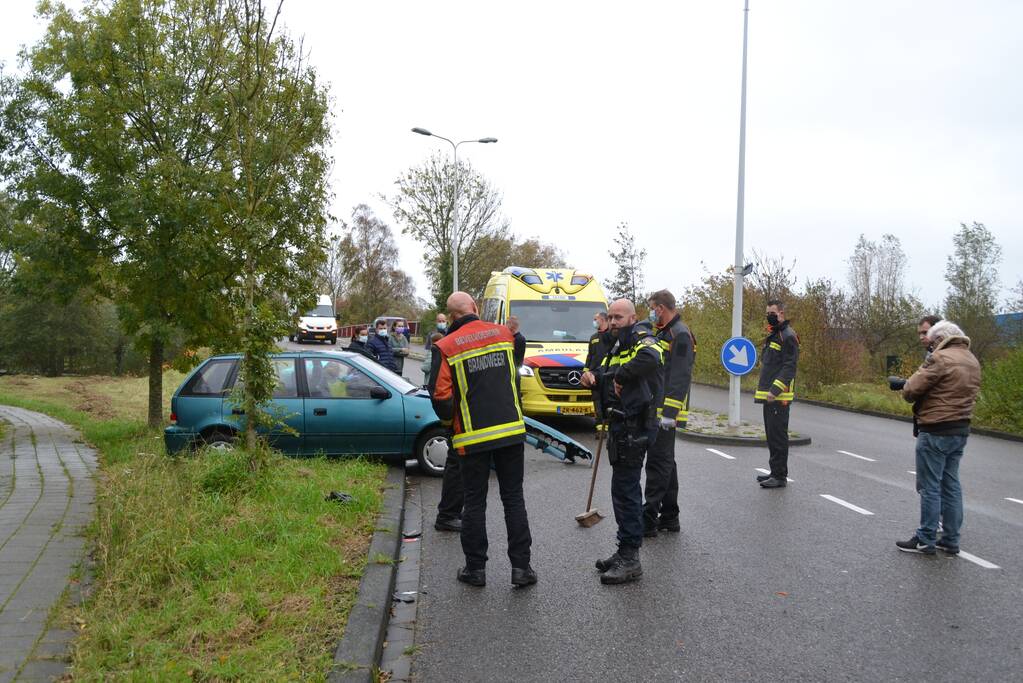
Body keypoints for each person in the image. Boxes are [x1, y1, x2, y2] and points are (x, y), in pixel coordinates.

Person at [430, 291, 536, 588]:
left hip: (472, 437)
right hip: (511, 431)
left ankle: (475, 570)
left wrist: (450, 425)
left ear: (451, 316)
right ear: (475, 307)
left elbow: (440, 396)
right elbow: (516, 366)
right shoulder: (504, 335)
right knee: (513, 499)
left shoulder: (445, 346)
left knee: (474, 502)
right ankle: (521, 569)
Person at [581, 299, 663, 585]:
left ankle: (631, 558)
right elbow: (609, 373)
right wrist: (594, 377)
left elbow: (652, 358)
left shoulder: (642, 336)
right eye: (611, 317)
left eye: (619, 317)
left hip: (635, 426)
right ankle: (624, 550)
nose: (613, 322)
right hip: (619, 425)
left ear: (633, 318)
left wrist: (622, 375)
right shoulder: (617, 345)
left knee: (626, 491)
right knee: (622, 489)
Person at [889, 321, 981, 555]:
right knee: (951, 485)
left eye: (931, 342)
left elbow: (911, 391)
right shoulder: (971, 359)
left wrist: (904, 383)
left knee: (930, 486)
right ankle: (951, 539)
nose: (930, 347)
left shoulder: (939, 359)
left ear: (940, 339)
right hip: (960, 428)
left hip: (936, 428)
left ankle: (925, 538)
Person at [642, 289, 695, 537]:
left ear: (661, 308)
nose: (652, 313)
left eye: (653, 308)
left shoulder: (680, 335)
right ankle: (670, 516)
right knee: (666, 464)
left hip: (667, 410)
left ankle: (649, 519)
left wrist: (670, 413)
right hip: (660, 407)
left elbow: (680, 376)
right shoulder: (665, 332)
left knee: (657, 463)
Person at [754, 299, 799, 489]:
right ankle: (774, 471)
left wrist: (775, 390)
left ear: (781, 313)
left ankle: (780, 476)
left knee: (778, 436)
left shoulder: (787, 336)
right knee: (771, 435)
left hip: (779, 397)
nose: (769, 316)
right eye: (767, 313)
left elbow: (790, 367)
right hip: (770, 396)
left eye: (772, 313)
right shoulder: (775, 335)